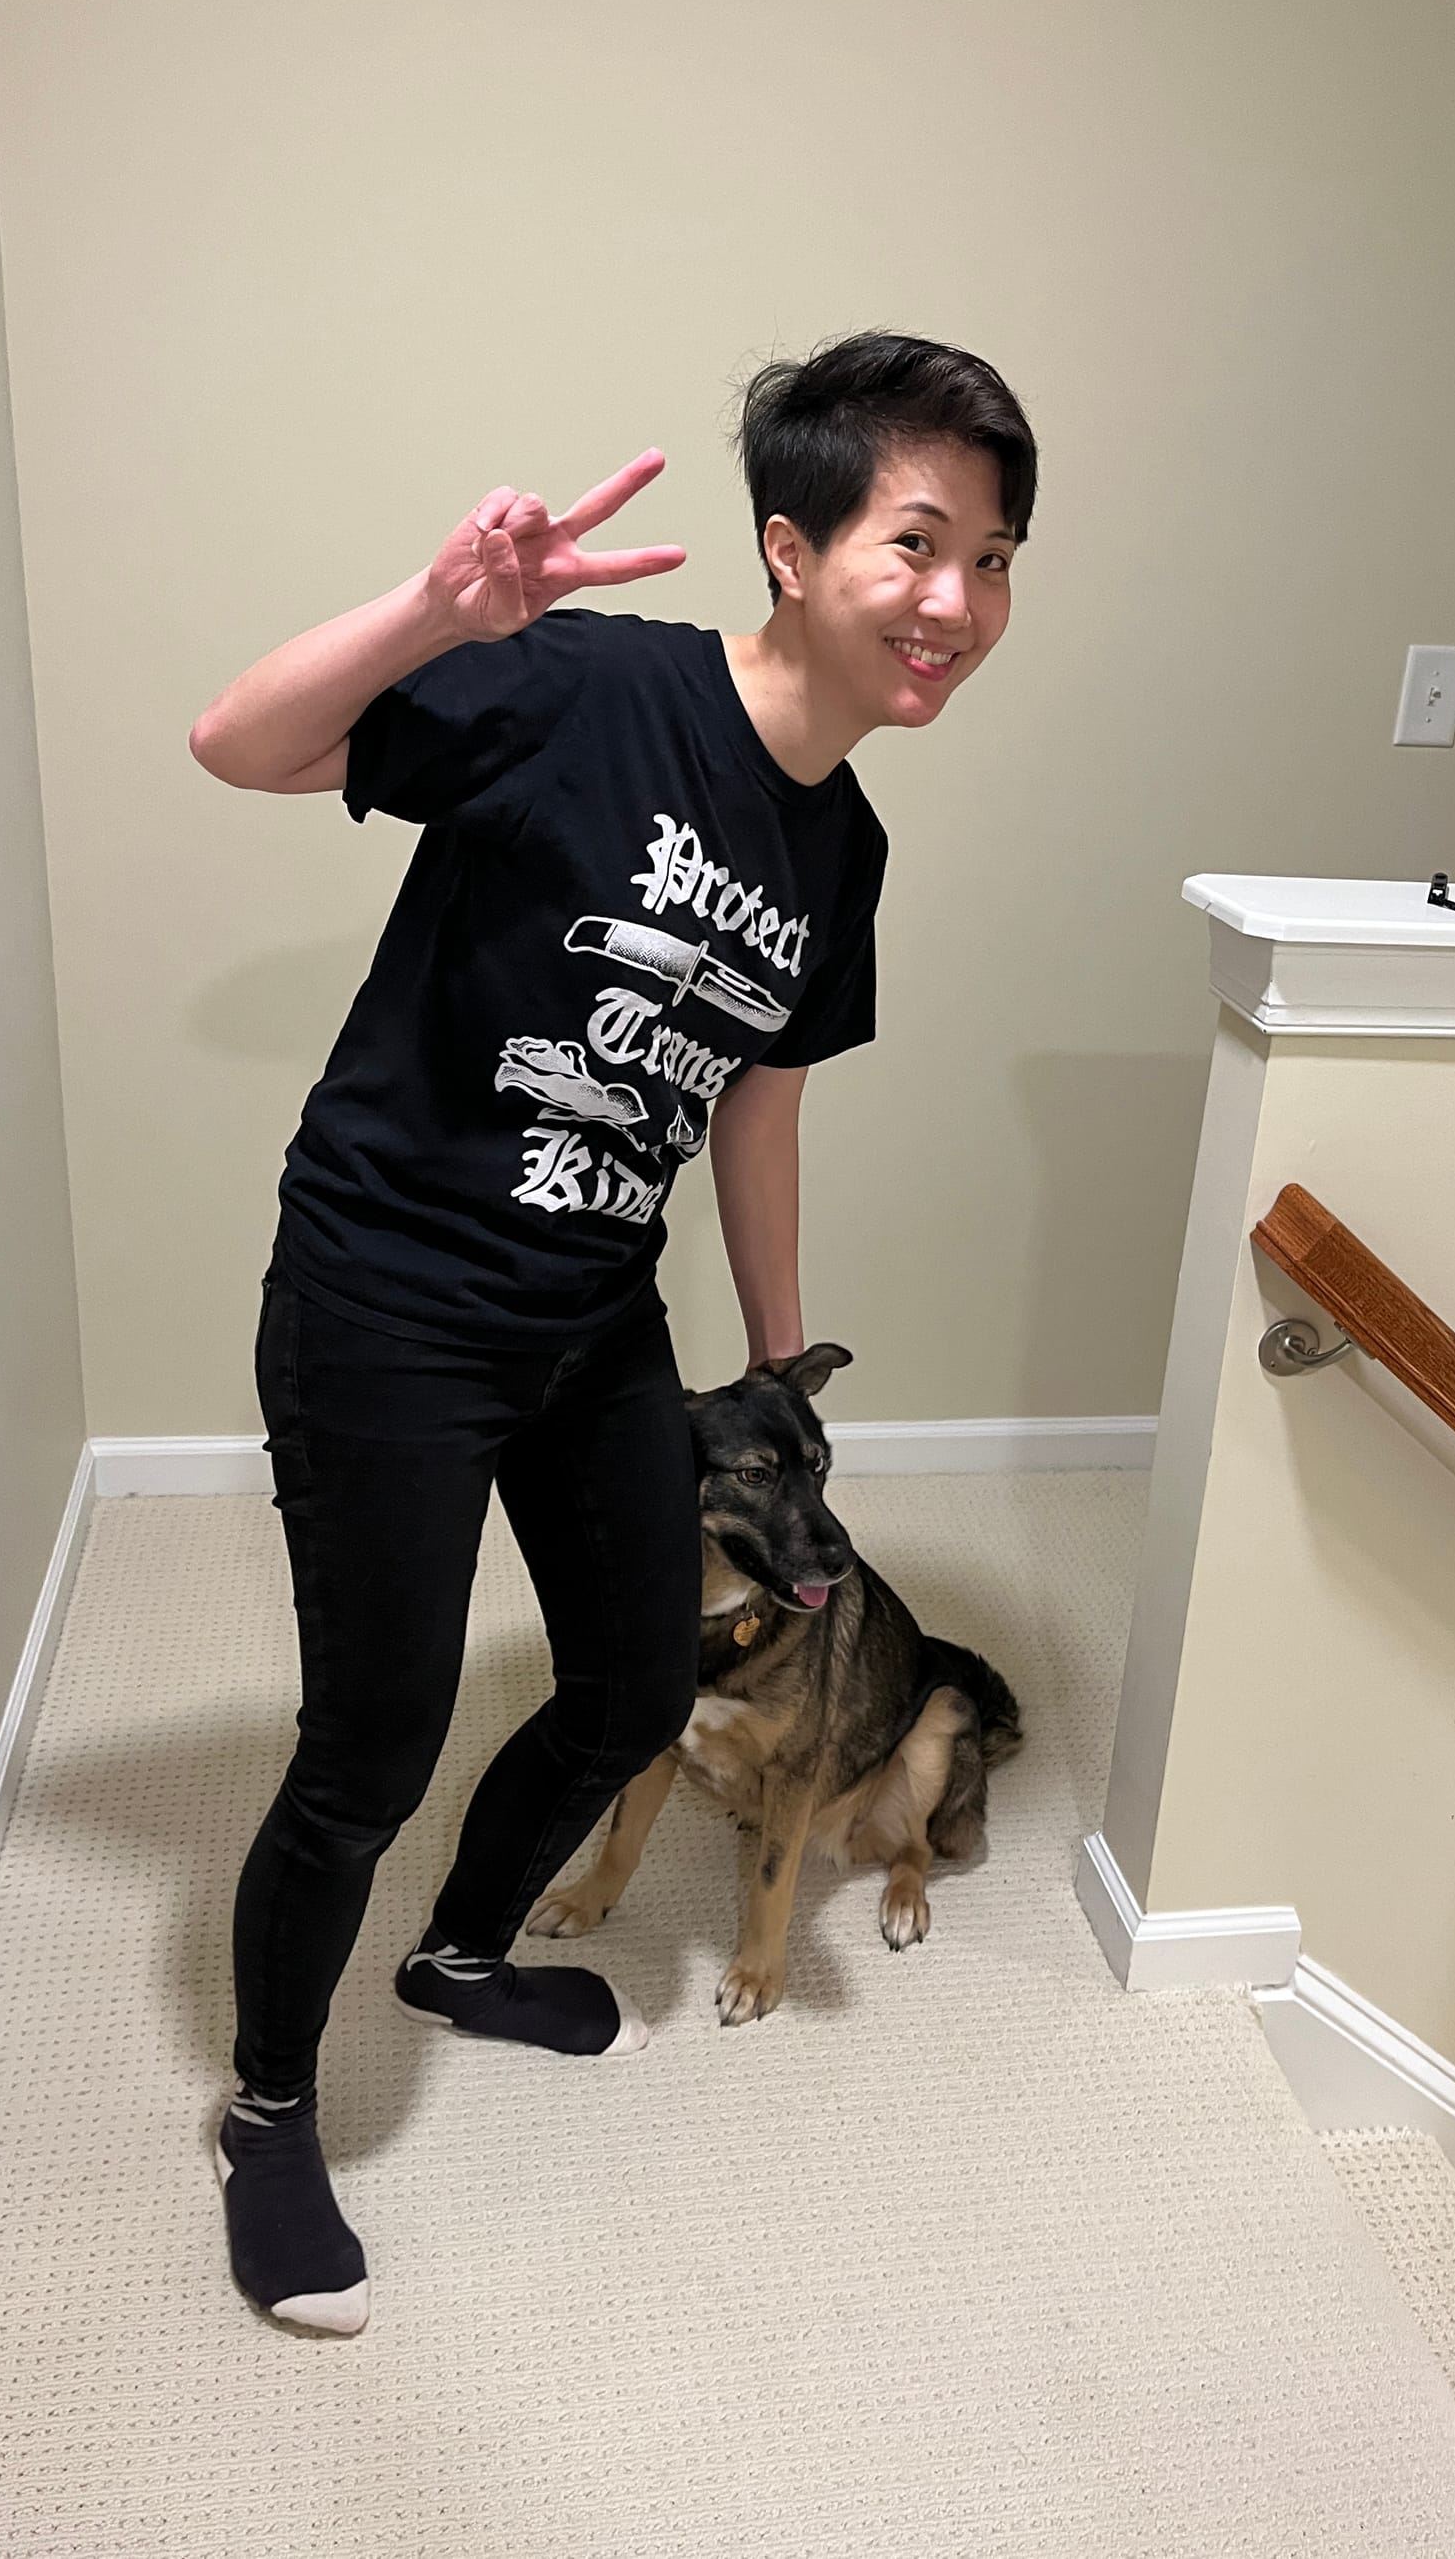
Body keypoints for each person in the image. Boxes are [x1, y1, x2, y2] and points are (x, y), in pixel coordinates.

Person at [187, 329, 1036, 2334]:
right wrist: (433, 608)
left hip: (591, 1316)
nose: (960, 603)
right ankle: (268, 2102)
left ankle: (462, 1952)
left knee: (635, 1672)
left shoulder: (844, 847)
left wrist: (783, 1361)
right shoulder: (587, 690)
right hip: (384, 1295)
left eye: (995, 560)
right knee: (369, 1737)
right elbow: (238, 740)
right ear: (788, 545)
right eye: (920, 543)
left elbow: (759, 1089)